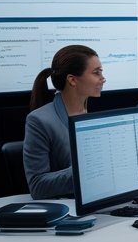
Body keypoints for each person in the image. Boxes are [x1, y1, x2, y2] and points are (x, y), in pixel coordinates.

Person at [23, 45, 106, 199]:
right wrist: (85, 172)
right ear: (72, 80)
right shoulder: (39, 121)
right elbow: (37, 185)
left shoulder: (92, 117)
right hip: (67, 209)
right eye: (96, 73)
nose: (103, 79)